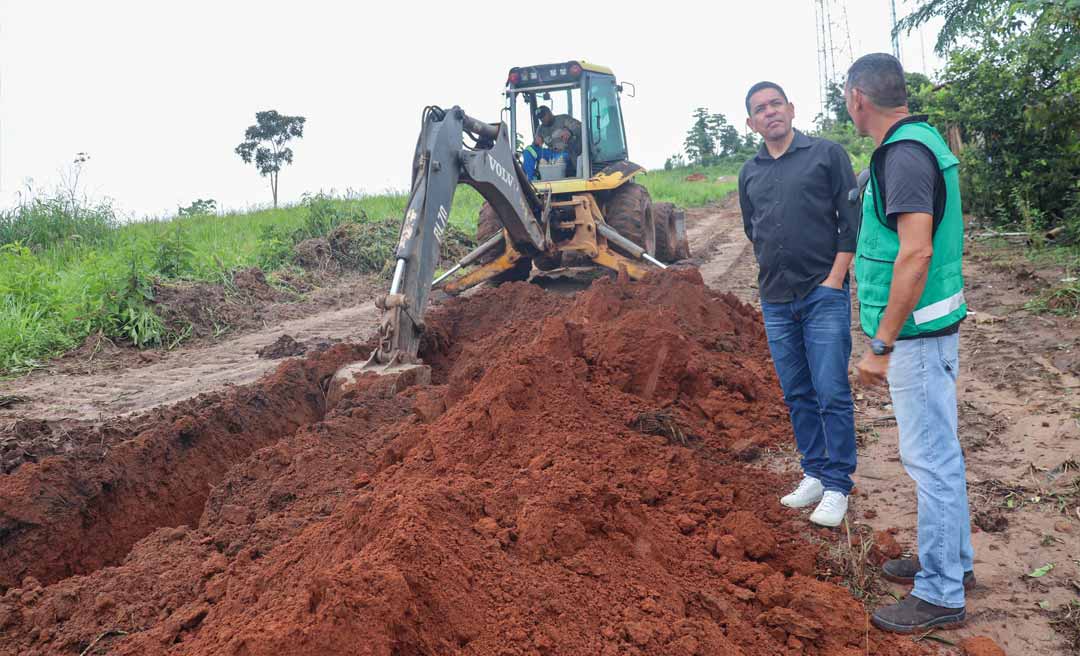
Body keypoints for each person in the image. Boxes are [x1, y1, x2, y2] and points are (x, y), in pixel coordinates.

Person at [845, 53, 974, 633]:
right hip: (927, 330)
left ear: (858, 99)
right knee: (940, 455)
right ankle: (953, 563)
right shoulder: (918, 143)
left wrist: (882, 343)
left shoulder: (903, 155)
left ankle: (941, 592)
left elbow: (916, 252)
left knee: (930, 460)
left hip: (916, 335)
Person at [738, 81, 859, 528]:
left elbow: (850, 221)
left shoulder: (826, 155)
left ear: (791, 109)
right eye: (760, 109)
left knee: (831, 390)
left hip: (822, 293)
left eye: (776, 104)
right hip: (775, 299)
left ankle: (838, 484)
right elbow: (753, 228)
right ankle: (814, 471)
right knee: (797, 393)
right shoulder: (749, 172)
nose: (770, 112)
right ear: (751, 123)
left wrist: (834, 279)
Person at [535, 106, 581, 172]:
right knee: (529, 152)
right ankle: (529, 177)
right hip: (551, 154)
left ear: (549, 112)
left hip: (568, 152)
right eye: (540, 118)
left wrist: (570, 132)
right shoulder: (540, 129)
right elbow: (536, 143)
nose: (542, 119)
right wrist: (536, 143)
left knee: (559, 159)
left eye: (543, 116)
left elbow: (580, 127)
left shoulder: (563, 119)